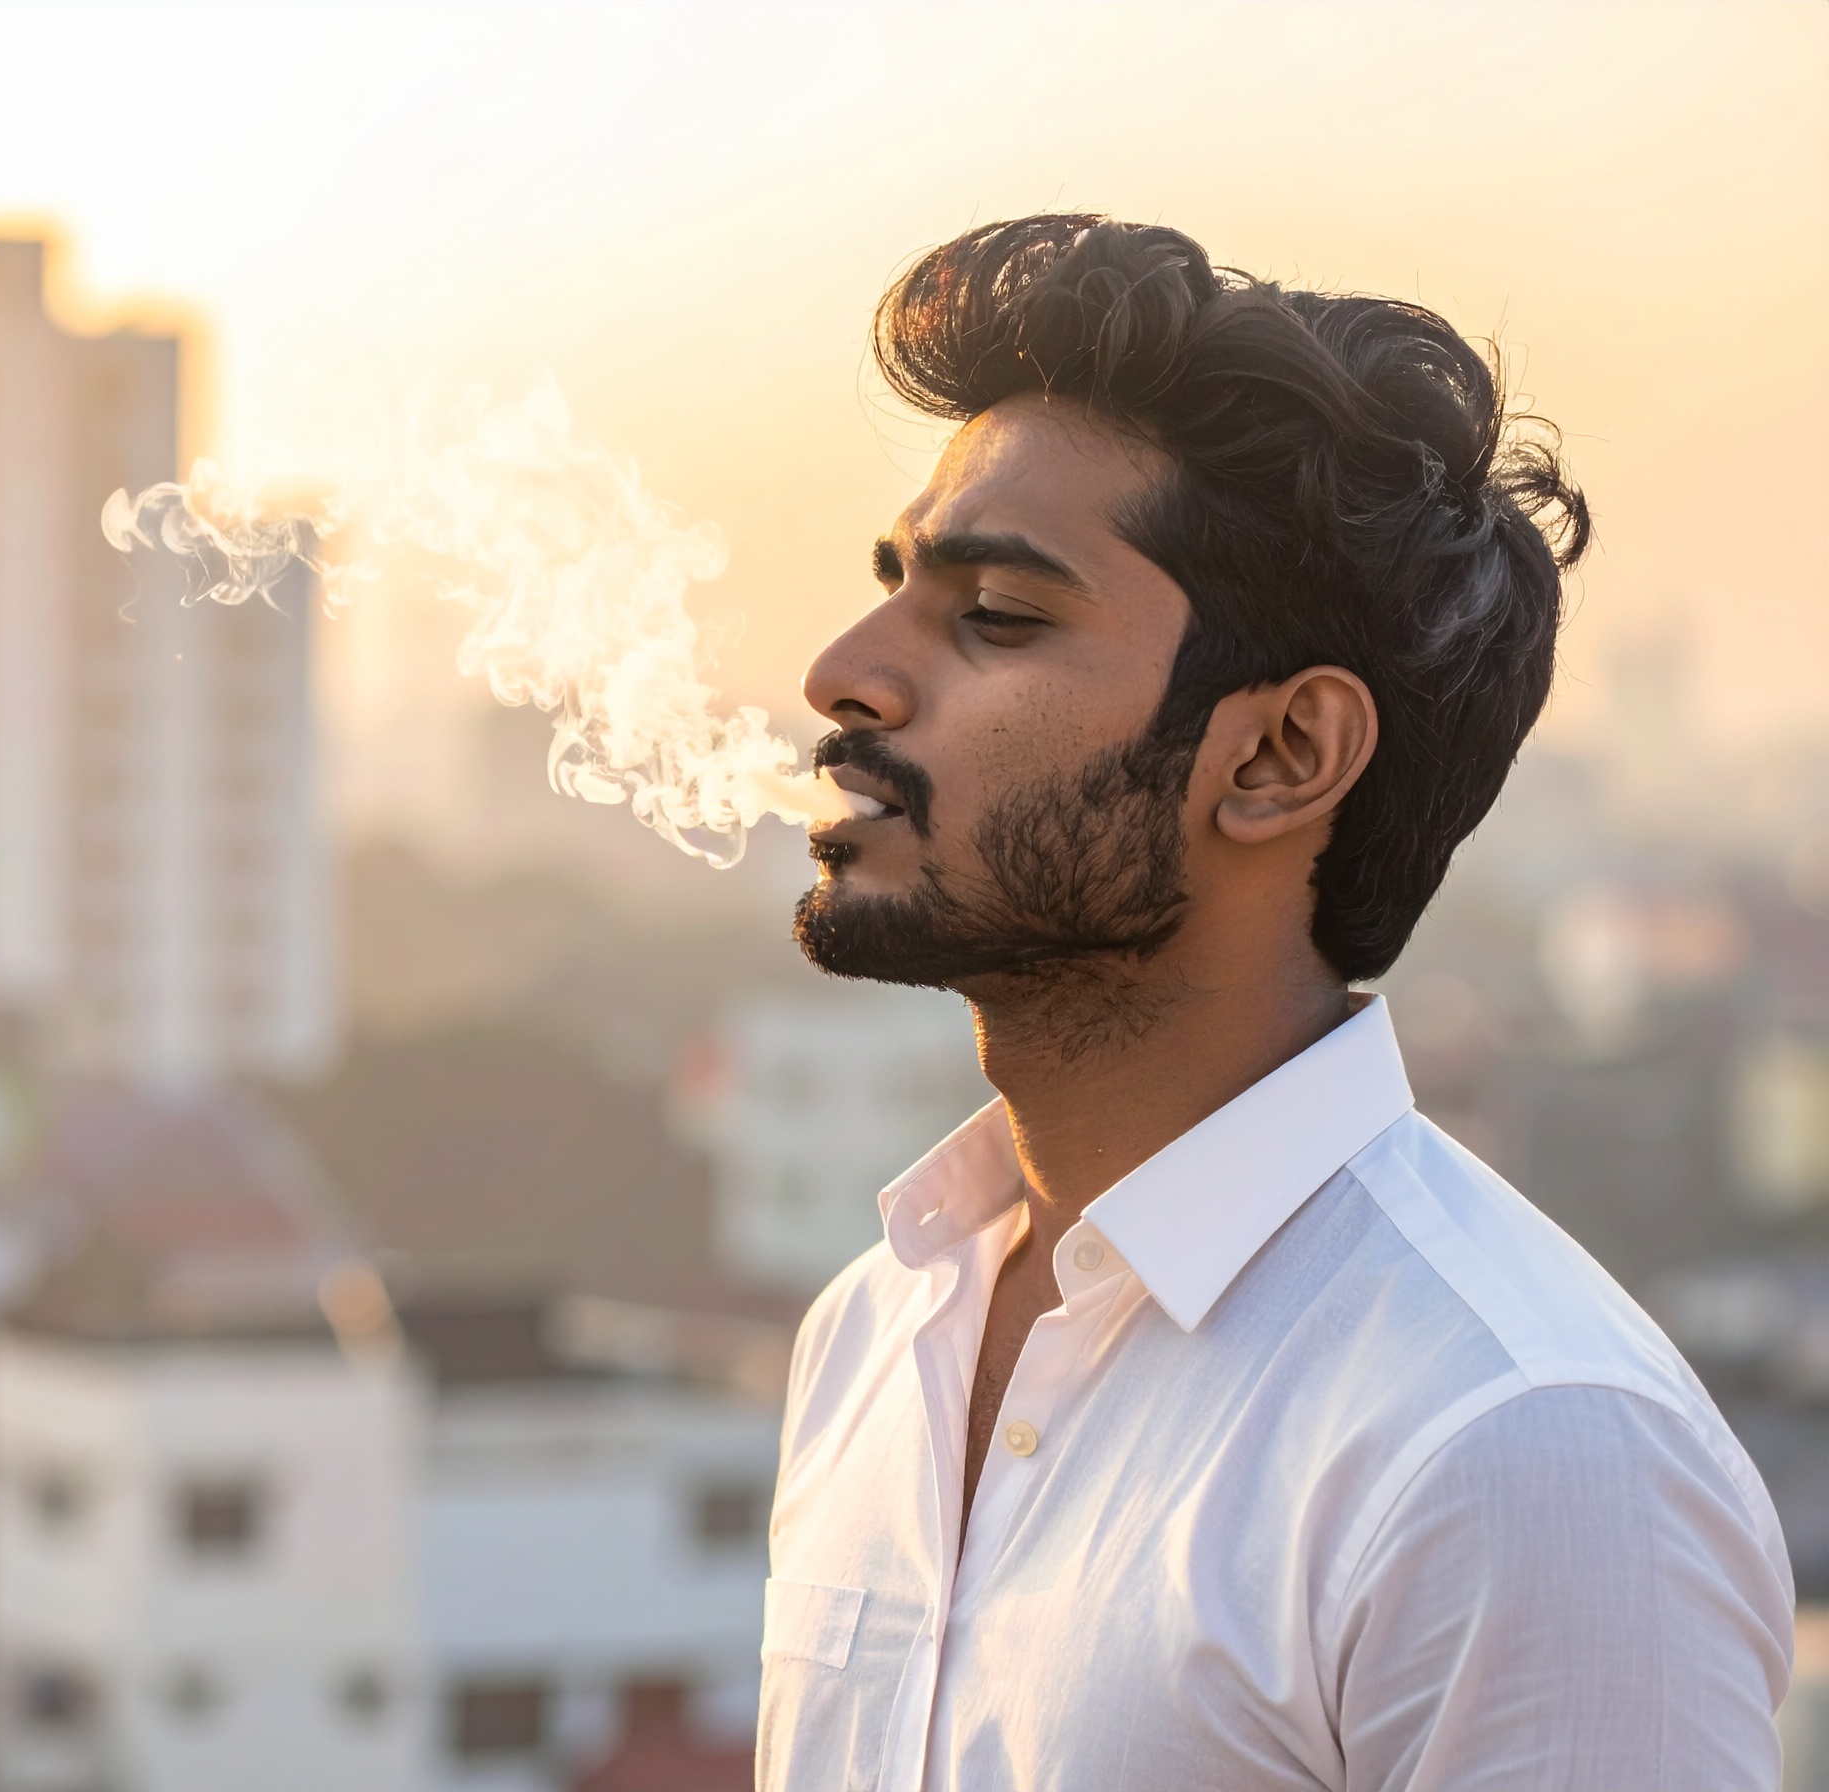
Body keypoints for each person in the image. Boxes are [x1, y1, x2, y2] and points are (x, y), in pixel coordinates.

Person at [760, 213, 1794, 1791]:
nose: (846, 671)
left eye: (1001, 616)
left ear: (1280, 757)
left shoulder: (1521, 1451)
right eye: (897, 586)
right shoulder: (879, 1329)